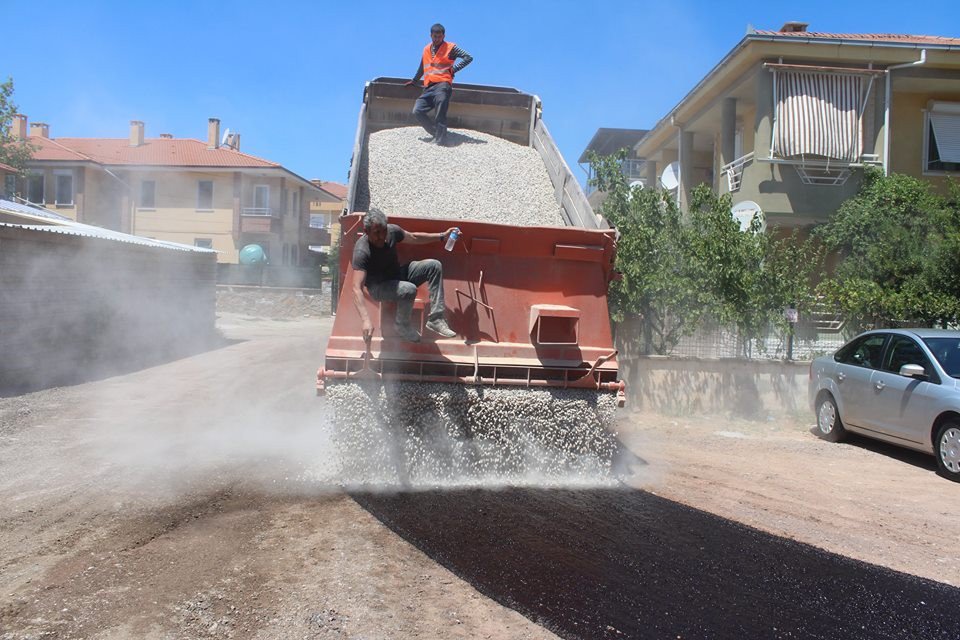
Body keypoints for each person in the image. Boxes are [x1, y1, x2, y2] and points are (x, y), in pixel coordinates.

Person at [351, 208, 458, 343]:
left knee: (434, 265)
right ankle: (402, 324)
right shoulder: (362, 250)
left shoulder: (392, 231)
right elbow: (356, 288)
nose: (382, 236)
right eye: (376, 233)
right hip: (378, 288)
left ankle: (436, 319)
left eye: (383, 230)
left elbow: (414, 237)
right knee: (408, 289)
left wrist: (442, 236)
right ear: (366, 232)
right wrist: (365, 320)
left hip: (397, 275)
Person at [405, 23, 473, 146]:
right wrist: (414, 80)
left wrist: (453, 69)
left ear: (444, 36)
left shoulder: (450, 47)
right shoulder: (426, 49)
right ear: (431, 35)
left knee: (440, 110)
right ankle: (437, 133)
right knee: (418, 110)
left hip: (443, 84)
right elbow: (422, 67)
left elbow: (468, 57)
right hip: (429, 87)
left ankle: (441, 140)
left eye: (440, 37)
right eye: (435, 36)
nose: (437, 39)